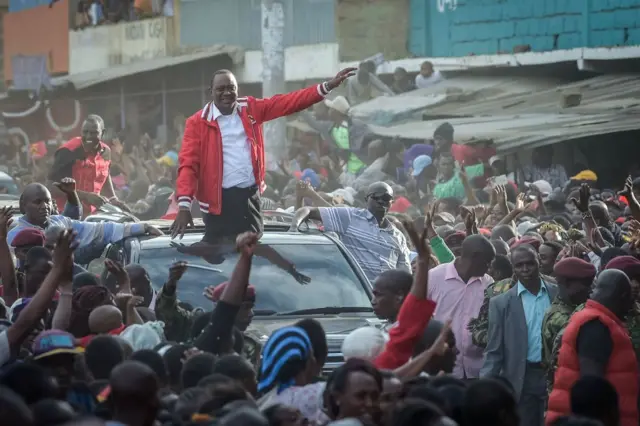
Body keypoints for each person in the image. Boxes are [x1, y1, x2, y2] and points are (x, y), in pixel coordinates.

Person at [171, 67, 356, 242]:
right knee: (219, 256)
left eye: (231, 88)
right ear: (211, 91)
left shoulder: (250, 108)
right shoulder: (197, 122)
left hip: (249, 199)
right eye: (221, 89)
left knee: (252, 255)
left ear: (237, 89)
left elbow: (288, 102)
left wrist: (326, 87)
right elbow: (188, 165)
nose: (227, 93)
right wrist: (184, 206)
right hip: (217, 204)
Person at [547, 269, 638, 426]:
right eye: (631, 298)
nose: (632, 305)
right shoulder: (596, 324)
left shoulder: (597, 319)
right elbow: (591, 388)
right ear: (623, 297)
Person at [481, 244, 557, 426]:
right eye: (519, 265)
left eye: (530, 264)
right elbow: (494, 350)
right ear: (513, 268)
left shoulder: (557, 293)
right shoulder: (501, 303)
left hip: (555, 375)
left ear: (538, 261)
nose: (525, 270)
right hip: (524, 378)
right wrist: (484, 389)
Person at [289, 181, 411, 282]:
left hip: (385, 302)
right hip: (356, 298)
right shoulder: (350, 217)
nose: (380, 201)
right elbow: (307, 211)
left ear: (391, 202)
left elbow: (405, 277)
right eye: (375, 197)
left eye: (385, 198)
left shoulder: (398, 237)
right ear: (366, 199)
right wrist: (294, 229)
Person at [7, 183, 161, 250]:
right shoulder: (13, 237)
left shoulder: (60, 222)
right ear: (24, 205)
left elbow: (100, 230)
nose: (44, 206)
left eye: (47, 201)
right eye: (37, 202)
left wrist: (142, 227)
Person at [427, 234, 495, 380]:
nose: (489, 267)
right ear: (475, 257)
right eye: (487, 262)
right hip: (442, 369)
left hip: (477, 369)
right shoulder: (434, 277)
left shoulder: (488, 283)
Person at [48, 115, 129, 218]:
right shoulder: (68, 151)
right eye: (85, 132)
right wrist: (86, 196)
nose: (88, 136)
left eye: (93, 133)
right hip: (65, 215)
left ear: (102, 133)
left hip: (93, 216)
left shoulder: (106, 152)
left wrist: (113, 199)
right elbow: (50, 188)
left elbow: (104, 175)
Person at [541, 258, 596, 377]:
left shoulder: (567, 307)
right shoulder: (561, 318)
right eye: (585, 284)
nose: (590, 289)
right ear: (566, 283)